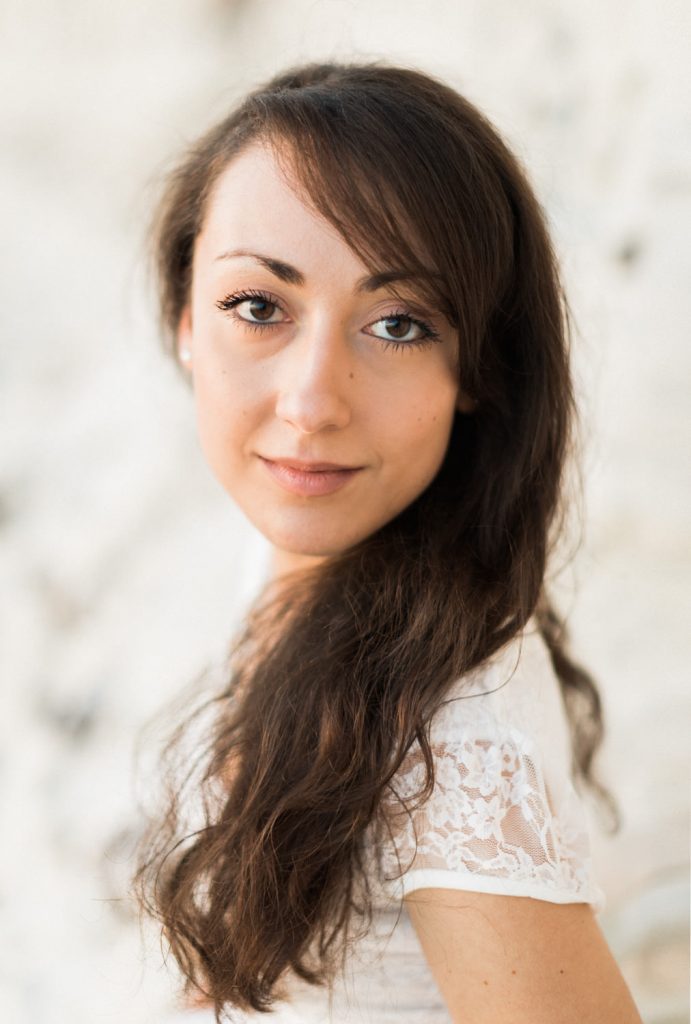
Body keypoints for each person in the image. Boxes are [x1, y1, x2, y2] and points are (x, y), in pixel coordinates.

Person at [132, 62, 643, 1023]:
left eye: (399, 324)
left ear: (476, 372)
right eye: (258, 306)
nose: (314, 403)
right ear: (184, 317)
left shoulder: (451, 738)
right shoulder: (295, 567)